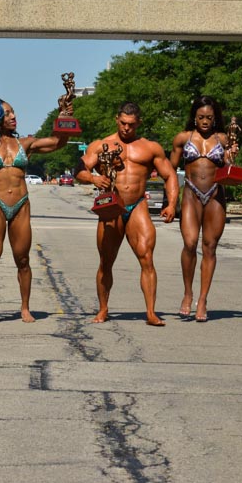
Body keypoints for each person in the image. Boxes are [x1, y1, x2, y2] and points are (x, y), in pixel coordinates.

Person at [0, 98, 73, 326]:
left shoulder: (25, 143)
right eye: (7, 113)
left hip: (21, 205)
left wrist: (64, 117)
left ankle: (25, 308)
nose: (13, 116)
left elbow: (57, 143)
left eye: (13, 112)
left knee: (23, 259)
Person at [75, 102, 179, 326]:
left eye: (131, 124)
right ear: (117, 119)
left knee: (147, 258)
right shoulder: (101, 145)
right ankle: (103, 309)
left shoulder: (150, 148)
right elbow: (79, 169)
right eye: (123, 123)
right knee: (106, 261)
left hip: (137, 206)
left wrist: (171, 204)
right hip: (111, 206)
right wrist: (93, 178)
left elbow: (170, 175)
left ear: (138, 123)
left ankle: (151, 313)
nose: (126, 128)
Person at [170, 96, 238, 322]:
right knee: (190, 244)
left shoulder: (223, 139)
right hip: (191, 194)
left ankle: (202, 299)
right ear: (194, 117)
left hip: (215, 195)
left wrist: (230, 157)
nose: (205, 121)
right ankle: (188, 293)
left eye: (209, 117)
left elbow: (229, 168)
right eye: (201, 117)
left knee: (209, 247)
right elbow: (170, 170)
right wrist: (170, 201)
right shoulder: (183, 138)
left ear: (215, 118)